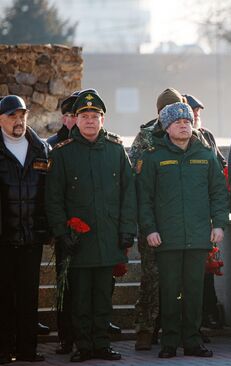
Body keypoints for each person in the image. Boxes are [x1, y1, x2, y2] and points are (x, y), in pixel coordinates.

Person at [45, 90, 136, 362]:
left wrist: (126, 231)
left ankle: (101, 344)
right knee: (81, 298)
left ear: (102, 119)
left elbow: (128, 193)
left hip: (108, 238)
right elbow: (53, 198)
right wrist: (62, 233)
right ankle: (83, 346)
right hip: (78, 241)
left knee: (103, 296)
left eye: (94, 116)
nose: (89, 121)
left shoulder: (116, 150)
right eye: (83, 116)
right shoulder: (63, 154)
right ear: (74, 119)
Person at [137, 102, 229, 359]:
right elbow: (144, 198)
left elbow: (218, 193)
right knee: (169, 292)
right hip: (167, 238)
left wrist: (219, 223)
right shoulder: (154, 157)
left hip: (198, 237)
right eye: (178, 122)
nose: (184, 125)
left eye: (187, 121)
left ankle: (192, 340)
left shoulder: (206, 155)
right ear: (166, 127)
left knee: (194, 292)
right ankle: (169, 341)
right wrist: (150, 229)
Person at [129, 87, 184, 351]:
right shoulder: (146, 137)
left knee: (181, 279)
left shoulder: (192, 134)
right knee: (151, 277)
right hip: (152, 218)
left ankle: (181, 327)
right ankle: (146, 328)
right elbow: (136, 176)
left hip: (181, 220)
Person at [0, 95, 49, 364]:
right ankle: (5, 349)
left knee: (29, 296)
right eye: (12, 116)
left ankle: (28, 350)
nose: (18, 121)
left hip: (32, 236)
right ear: (0, 119)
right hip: (3, 237)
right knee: (4, 296)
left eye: (22, 115)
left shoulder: (40, 149)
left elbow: (50, 192)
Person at [184, 93, 225, 331]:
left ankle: (207, 313)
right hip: (183, 217)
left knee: (205, 272)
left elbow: (221, 165)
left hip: (206, 217)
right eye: (193, 112)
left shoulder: (207, 136)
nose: (197, 116)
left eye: (199, 113)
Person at [47, 91, 79, 355]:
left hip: (93, 228)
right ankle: (66, 334)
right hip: (65, 226)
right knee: (65, 284)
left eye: (76, 115)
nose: (73, 120)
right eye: (69, 115)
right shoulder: (51, 146)